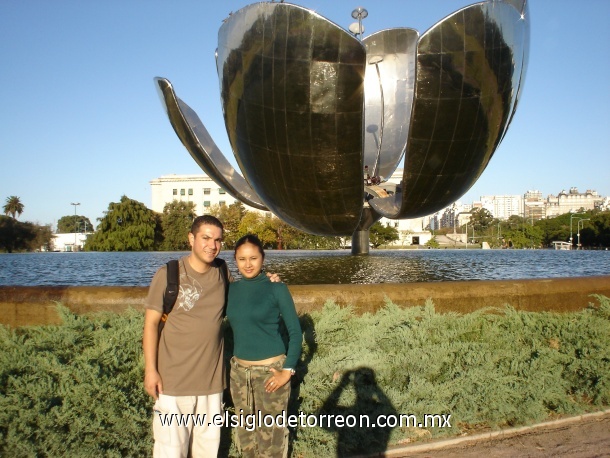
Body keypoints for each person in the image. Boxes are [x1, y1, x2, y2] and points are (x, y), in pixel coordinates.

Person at [142, 215, 279, 458]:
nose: (212, 245)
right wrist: (150, 371)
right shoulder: (169, 274)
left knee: (207, 452)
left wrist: (268, 281)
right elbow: (151, 324)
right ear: (191, 239)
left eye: (217, 240)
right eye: (206, 238)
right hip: (173, 384)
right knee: (170, 452)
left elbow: (244, 295)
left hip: (212, 386)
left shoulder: (222, 272)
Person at [226, 234, 302, 458]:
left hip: (270, 373)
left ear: (262, 258)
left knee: (272, 440)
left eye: (253, 258)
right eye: (241, 259)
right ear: (236, 261)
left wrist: (287, 371)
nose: (247, 264)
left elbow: (295, 333)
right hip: (239, 375)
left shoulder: (276, 288)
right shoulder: (231, 290)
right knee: (246, 439)